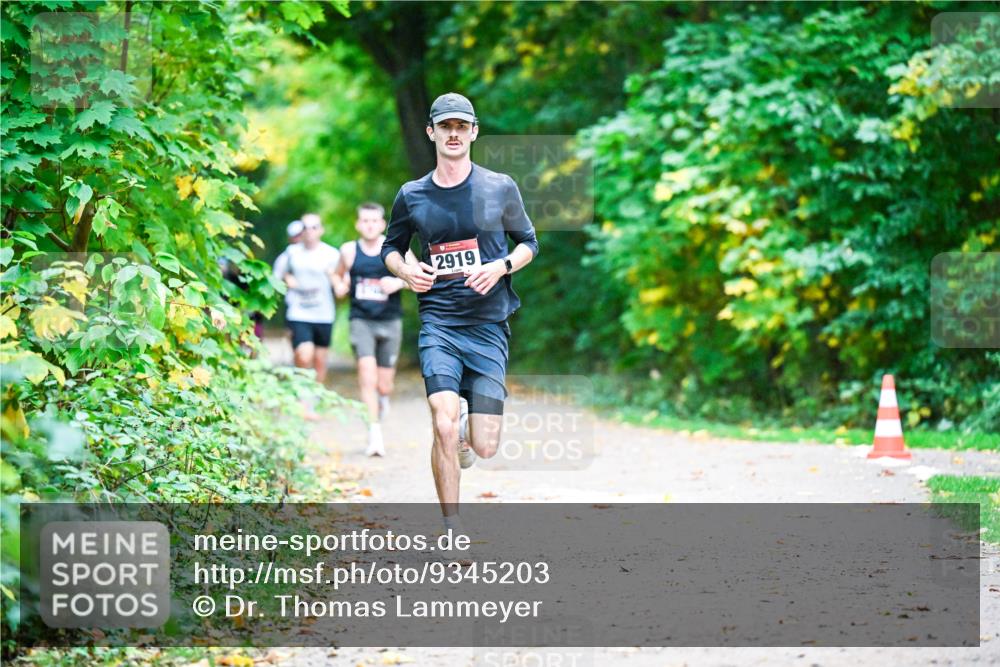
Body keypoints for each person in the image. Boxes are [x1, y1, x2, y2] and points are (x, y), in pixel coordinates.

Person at [380, 92, 538, 539]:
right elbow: (390, 248)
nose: (453, 134)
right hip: (440, 324)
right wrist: (407, 270)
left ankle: (471, 435)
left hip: (488, 325)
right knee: (442, 421)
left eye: (461, 127)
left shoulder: (498, 186)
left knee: (486, 446)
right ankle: (452, 525)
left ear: (473, 132)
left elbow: (529, 242)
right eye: (444, 127)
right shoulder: (412, 195)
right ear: (431, 132)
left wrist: (500, 265)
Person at [336, 202, 407, 457]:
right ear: (358, 224)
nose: (369, 225)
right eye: (364, 221)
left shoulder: (396, 249)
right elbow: (337, 275)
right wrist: (340, 285)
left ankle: (382, 401)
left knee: (384, 385)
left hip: (390, 320)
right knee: (367, 375)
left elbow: (418, 276)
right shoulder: (348, 251)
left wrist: (398, 282)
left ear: (382, 224)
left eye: (374, 221)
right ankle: (374, 434)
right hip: (361, 320)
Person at [272, 214, 346, 385]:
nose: (310, 231)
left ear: (321, 230)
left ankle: (316, 397)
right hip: (299, 312)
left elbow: (342, 280)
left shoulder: (331, 254)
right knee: (304, 354)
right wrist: (286, 279)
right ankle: (303, 397)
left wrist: (340, 285)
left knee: (320, 359)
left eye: (314, 227)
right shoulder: (291, 253)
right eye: (305, 227)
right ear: (301, 230)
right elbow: (275, 277)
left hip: (323, 313)